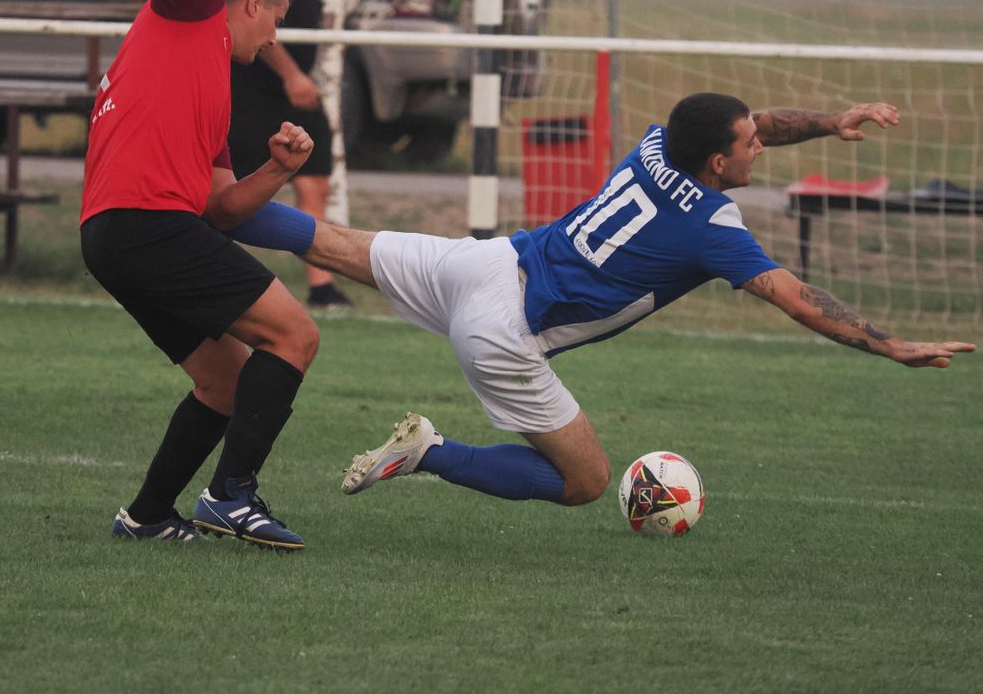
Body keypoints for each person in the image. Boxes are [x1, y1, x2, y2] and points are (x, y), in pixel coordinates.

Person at [295, 94, 975, 511]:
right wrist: (890, 345)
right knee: (586, 482)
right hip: (506, 331)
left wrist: (830, 121)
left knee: (329, 245)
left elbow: (754, 120)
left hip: (489, 262)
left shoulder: (657, 144)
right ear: (716, 162)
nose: (759, 144)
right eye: (749, 144)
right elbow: (797, 298)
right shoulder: (712, 228)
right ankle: (429, 454)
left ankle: (210, 203)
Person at [81, 0, 324, 551]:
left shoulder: (207, 82)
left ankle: (149, 515)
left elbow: (219, 208)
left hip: (117, 235)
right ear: (252, 2)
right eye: (276, 21)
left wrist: (277, 171)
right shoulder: (190, 10)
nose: (274, 37)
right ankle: (230, 496)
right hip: (142, 223)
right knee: (296, 335)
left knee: (225, 381)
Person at [225, 0, 352, 310]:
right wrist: (290, 73)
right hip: (257, 86)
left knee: (315, 178)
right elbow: (251, 21)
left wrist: (304, 76)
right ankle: (212, 270)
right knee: (230, 187)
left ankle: (320, 286)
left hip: (300, 86)